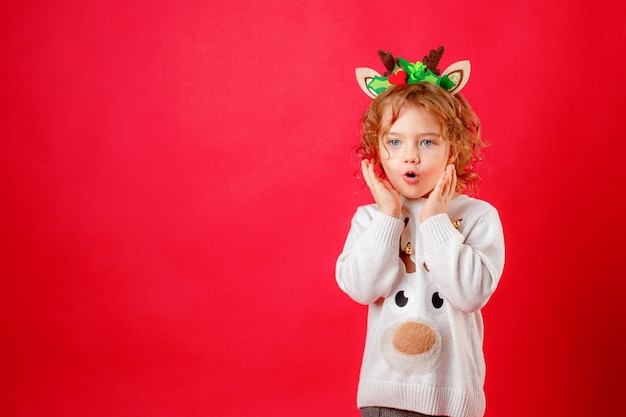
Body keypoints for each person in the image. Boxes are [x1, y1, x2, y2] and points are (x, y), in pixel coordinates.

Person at [336, 47, 505, 417]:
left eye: (427, 142)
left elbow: (470, 294)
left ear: (453, 149)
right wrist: (388, 216)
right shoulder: (371, 219)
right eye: (395, 142)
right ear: (377, 151)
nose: (410, 156)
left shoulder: (478, 217)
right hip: (386, 397)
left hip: (453, 398)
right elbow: (361, 288)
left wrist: (435, 220)